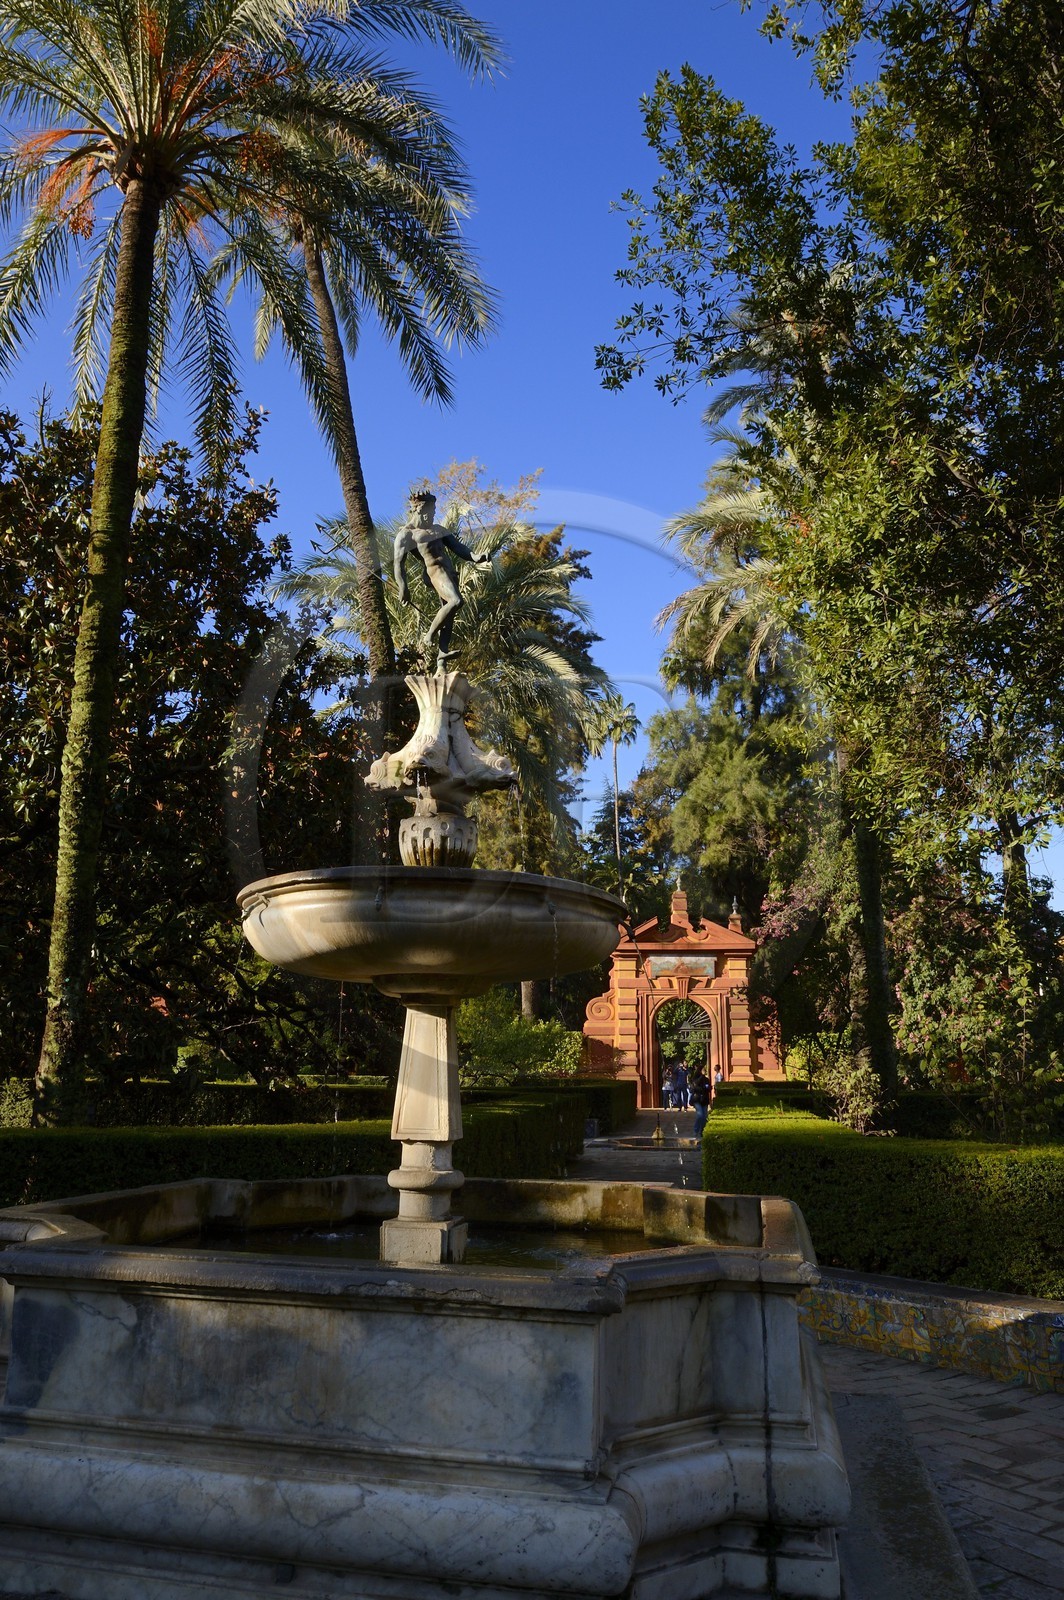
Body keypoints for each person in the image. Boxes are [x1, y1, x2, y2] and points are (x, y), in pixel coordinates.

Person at [392, 489, 491, 664]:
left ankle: (441, 658)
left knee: (449, 616)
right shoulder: (407, 534)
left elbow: (458, 547)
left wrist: (476, 557)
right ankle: (429, 635)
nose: (433, 515)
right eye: (431, 512)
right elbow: (398, 563)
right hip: (435, 572)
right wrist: (403, 588)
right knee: (456, 601)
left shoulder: (438, 530)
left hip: (450, 573)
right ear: (420, 510)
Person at [690, 1070, 711, 1138]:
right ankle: (696, 1130)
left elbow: (708, 1088)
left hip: (704, 1100)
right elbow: (694, 1088)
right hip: (697, 1100)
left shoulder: (706, 1080)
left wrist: (707, 1088)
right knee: (700, 1115)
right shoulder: (695, 1079)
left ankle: (702, 1131)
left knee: (704, 1117)